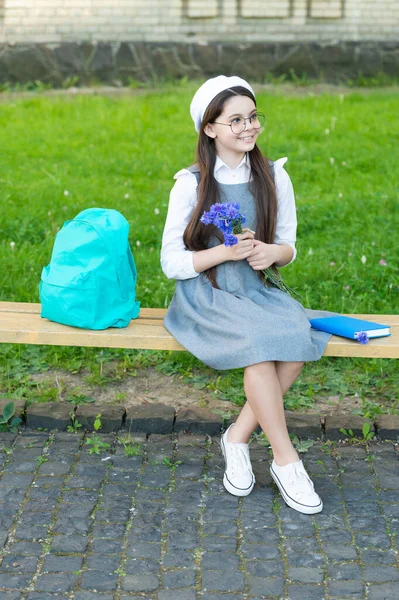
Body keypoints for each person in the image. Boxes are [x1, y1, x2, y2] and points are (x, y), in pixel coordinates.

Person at [161, 75, 333, 515]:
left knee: (295, 344)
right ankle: (286, 460)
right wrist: (224, 251)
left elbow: (289, 246)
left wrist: (269, 251)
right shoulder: (191, 184)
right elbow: (171, 262)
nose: (248, 127)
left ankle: (236, 438)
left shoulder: (274, 175)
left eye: (253, 117)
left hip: (256, 288)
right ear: (210, 128)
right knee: (259, 348)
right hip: (209, 294)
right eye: (235, 120)